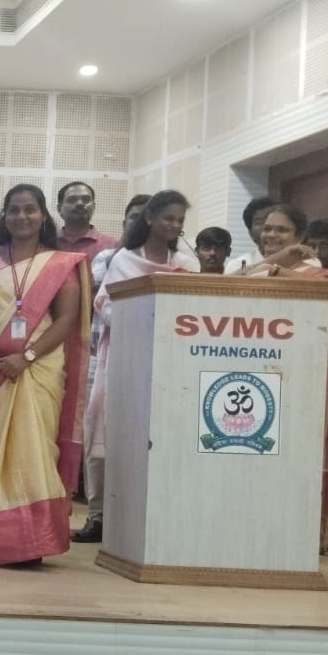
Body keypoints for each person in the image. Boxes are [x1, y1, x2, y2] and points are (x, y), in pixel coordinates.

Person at [0, 184, 90, 567]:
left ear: (43, 215)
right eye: (14, 210)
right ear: (4, 216)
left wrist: (27, 356)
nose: (21, 217)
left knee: (35, 449)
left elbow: (66, 318)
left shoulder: (60, 262)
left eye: (30, 209)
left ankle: (31, 542)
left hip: (39, 369)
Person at [74, 190, 199, 543]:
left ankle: (152, 514)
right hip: (124, 360)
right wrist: (147, 319)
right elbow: (106, 305)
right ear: (150, 219)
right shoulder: (124, 260)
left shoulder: (188, 264)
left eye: (179, 220)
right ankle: (99, 514)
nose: (174, 225)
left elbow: (194, 311)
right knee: (104, 430)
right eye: (168, 218)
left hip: (172, 364)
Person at [238, 203, 328, 549]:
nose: (270, 234)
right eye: (267, 228)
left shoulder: (319, 277)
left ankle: (297, 533)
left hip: (298, 381)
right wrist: (277, 260)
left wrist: (277, 269)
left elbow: (323, 299)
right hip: (255, 375)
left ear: (300, 236)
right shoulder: (256, 267)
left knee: (294, 456)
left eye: (281, 230)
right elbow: (228, 285)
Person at [55, 181, 119, 258]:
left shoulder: (112, 246)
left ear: (94, 207)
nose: (80, 203)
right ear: (59, 209)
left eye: (86, 199)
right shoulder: (48, 244)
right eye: (72, 199)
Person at [226, 195, 277, 273]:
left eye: (271, 219)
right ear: (251, 234)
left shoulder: (297, 265)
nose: (267, 225)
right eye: (259, 222)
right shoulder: (237, 266)